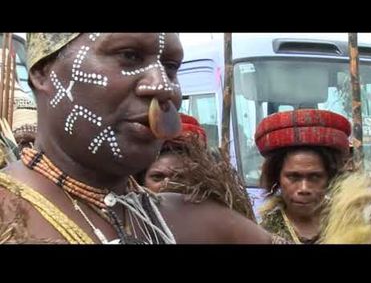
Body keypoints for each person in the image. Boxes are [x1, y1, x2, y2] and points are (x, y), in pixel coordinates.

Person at [0, 33, 273, 244]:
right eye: (129, 56)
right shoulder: (8, 215)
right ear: (44, 71)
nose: (164, 87)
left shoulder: (195, 222)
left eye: (170, 67)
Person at [255, 109, 351, 244]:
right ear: (277, 178)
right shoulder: (261, 234)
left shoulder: (351, 225)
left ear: (330, 178)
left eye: (315, 177)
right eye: (293, 177)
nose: (304, 188)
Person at [142, 113, 256, 221]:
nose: (167, 184)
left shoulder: (223, 224)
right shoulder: (132, 224)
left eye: (179, 177)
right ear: (141, 182)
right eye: (157, 177)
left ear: (199, 181)